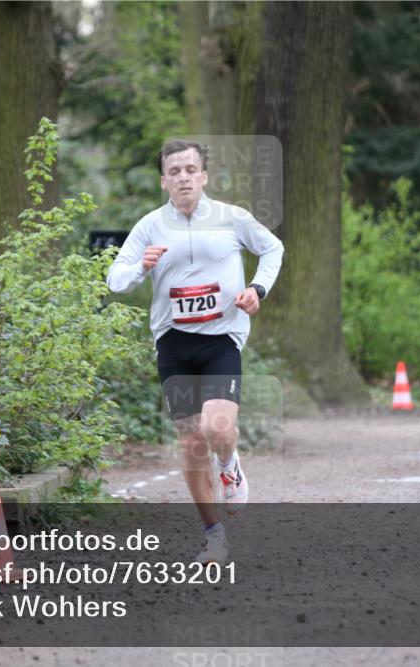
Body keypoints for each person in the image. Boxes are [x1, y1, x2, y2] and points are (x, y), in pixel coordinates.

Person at [106, 139, 284, 564]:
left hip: (222, 336)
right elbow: (115, 279)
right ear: (163, 181)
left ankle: (230, 462)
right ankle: (214, 535)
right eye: (175, 171)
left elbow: (272, 248)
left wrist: (257, 289)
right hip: (174, 341)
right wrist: (140, 268)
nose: (183, 177)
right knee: (190, 444)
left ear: (204, 176)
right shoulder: (149, 226)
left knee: (218, 428)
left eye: (191, 169)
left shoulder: (231, 218)